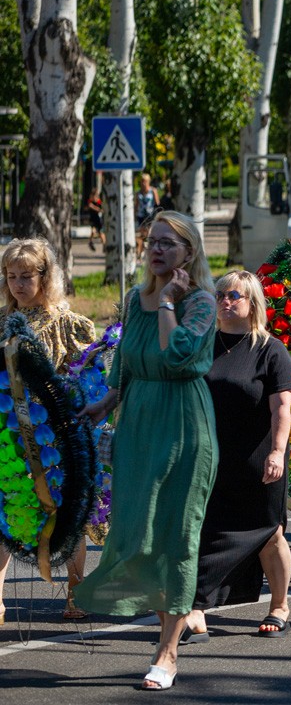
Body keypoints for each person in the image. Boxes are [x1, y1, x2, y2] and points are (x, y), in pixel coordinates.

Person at [75, 211, 217, 691]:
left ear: (188, 254)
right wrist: (104, 403)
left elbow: (177, 356)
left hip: (183, 425)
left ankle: (168, 651)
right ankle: (176, 614)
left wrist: (170, 304)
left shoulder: (200, 302)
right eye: (152, 242)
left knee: (176, 535)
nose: (156, 250)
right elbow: (127, 365)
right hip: (138, 424)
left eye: (168, 245)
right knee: (136, 531)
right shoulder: (136, 299)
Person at [182, 271, 291, 642]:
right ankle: (196, 609)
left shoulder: (270, 350)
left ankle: (279, 606)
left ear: (252, 304)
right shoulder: (202, 345)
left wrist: (278, 452)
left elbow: (282, 410)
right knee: (204, 532)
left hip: (259, 459)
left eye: (235, 295)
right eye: (220, 294)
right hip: (210, 459)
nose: (225, 301)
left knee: (268, 534)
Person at [0, 239, 95, 623]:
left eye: (27, 276)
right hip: (8, 440)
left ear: (46, 276)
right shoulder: (2, 323)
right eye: (11, 276)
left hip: (54, 440)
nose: (18, 284)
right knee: (4, 517)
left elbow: (86, 379)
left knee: (69, 519)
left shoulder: (67, 324)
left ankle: (76, 591)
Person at [134, 172, 160, 257]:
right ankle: (141, 252)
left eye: (145, 181)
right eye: (142, 181)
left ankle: (148, 251)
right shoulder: (138, 193)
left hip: (150, 215)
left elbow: (157, 204)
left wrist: (158, 216)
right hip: (140, 215)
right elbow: (136, 206)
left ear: (148, 181)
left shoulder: (153, 191)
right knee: (141, 235)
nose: (143, 183)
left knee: (148, 234)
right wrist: (134, 216)